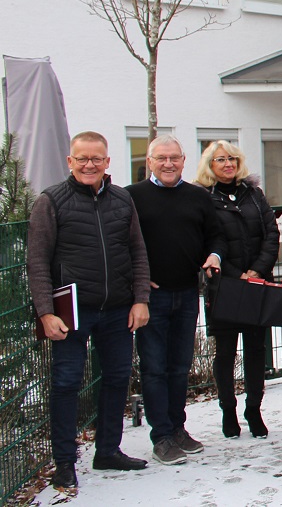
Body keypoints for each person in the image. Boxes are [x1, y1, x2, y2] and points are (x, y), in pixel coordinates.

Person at [26, 132, 151, 491]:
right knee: (65, 384)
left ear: (107, 162)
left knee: (116, 380)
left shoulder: (122, 200)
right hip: (70, 312)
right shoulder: (51, 202)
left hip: (116, 310)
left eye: (96, 159)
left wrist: (140, 299)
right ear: (70, 161)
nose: (89, 165)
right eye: (82, 158)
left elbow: (138, 252)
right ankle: (64, 463)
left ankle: (108, 450)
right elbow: (37, 263)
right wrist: (45, 312)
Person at [127, 135, 224, 465]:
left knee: (179, 367)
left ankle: (177, 428)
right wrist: (136, 279)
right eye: (161, 158)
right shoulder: (132, 197)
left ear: (184, 161)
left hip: (186, 294)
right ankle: (162, 436)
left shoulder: (198, 196)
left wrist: (214, 255)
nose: (168, 164)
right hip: (150, 298)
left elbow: (215, 234)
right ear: (149, 162)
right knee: (154, 369)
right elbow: (118, 243)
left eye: (174, 158)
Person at [194, 140, 280, 439]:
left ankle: (254, 410)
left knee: (257, 350)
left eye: (232, 158)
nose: (227, 164)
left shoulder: (253, 195)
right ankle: (228, 411)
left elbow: (271, 233)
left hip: (257, 283)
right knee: (226, 354)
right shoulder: (203, 197)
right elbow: (205, 241)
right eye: (220, 160)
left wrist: (256, 270)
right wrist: (234, 274)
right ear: (210, 165)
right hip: (224, 287)